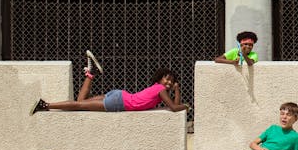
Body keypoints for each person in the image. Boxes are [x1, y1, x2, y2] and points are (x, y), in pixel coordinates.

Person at [31, 49, 186, 114]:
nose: (169, 83)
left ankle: (90, 74)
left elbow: (173, 105)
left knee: (80, 101)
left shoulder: (158, 89)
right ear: (160, 79)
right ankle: (46, 105)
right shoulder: (160, 89)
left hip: (119, 96)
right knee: (79, 105)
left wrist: (177, 90)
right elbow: (174, 107)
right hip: (118, 103)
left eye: (172, 82)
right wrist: (186, 107)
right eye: (168, 79)